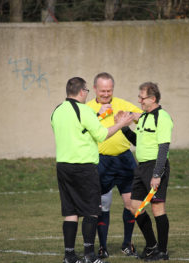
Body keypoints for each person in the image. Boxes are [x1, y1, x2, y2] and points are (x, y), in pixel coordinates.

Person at [50, 77, 134, 263]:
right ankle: (89, 255)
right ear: (81, 92)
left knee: (70, 212)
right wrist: (121, 123)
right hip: (84, 166)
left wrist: (98, 117)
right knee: (91, 211)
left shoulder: (57, 111)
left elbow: (78, 129)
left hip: (63, 166)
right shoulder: (84, 110)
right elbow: (102, 135)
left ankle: (69, 256)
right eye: (87, 90)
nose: (87, 93)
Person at [86, 72, 142, 258]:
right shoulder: (87, 108)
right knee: (103, 206)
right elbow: (80, 128)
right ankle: (102, 247)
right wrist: (97, 114)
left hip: (125, 160)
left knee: (131, 204)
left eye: (109, 90)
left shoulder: (121, 103)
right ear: (95, 89)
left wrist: (130, 115)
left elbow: (142, 115)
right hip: (101, 161)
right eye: (102, 90)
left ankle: (127, 244)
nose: (106, 94)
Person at [120, 82, 173, 261]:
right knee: (135, 207)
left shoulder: (163, 117)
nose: (139, 100)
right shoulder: (143, 117)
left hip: (155, 167)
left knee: (158, 208)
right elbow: (138, 141)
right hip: (141, 168)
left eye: (142, 98)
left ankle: (162, 251)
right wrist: (124, 128)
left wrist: (157, 174)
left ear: (153, 99)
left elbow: (163, 147)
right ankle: (152, 245)